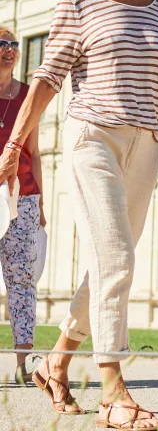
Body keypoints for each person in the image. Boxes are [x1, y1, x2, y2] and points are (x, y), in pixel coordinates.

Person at [0, 0, 158, 428]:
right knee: (116, 261)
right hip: (92, 137)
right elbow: (47, 77)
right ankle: (113, 389)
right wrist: (14, 145)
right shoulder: (78, 0)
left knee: (113, 264)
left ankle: (56, 361)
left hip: (146, 144)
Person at [0, 27, 45, 384]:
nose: (10, 49)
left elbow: (36, 153)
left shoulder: (29, 95)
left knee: (22, 280)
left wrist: (41, 201)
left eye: (14, 44)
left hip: (24, 196)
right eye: (2, 44)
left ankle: (23, 364)